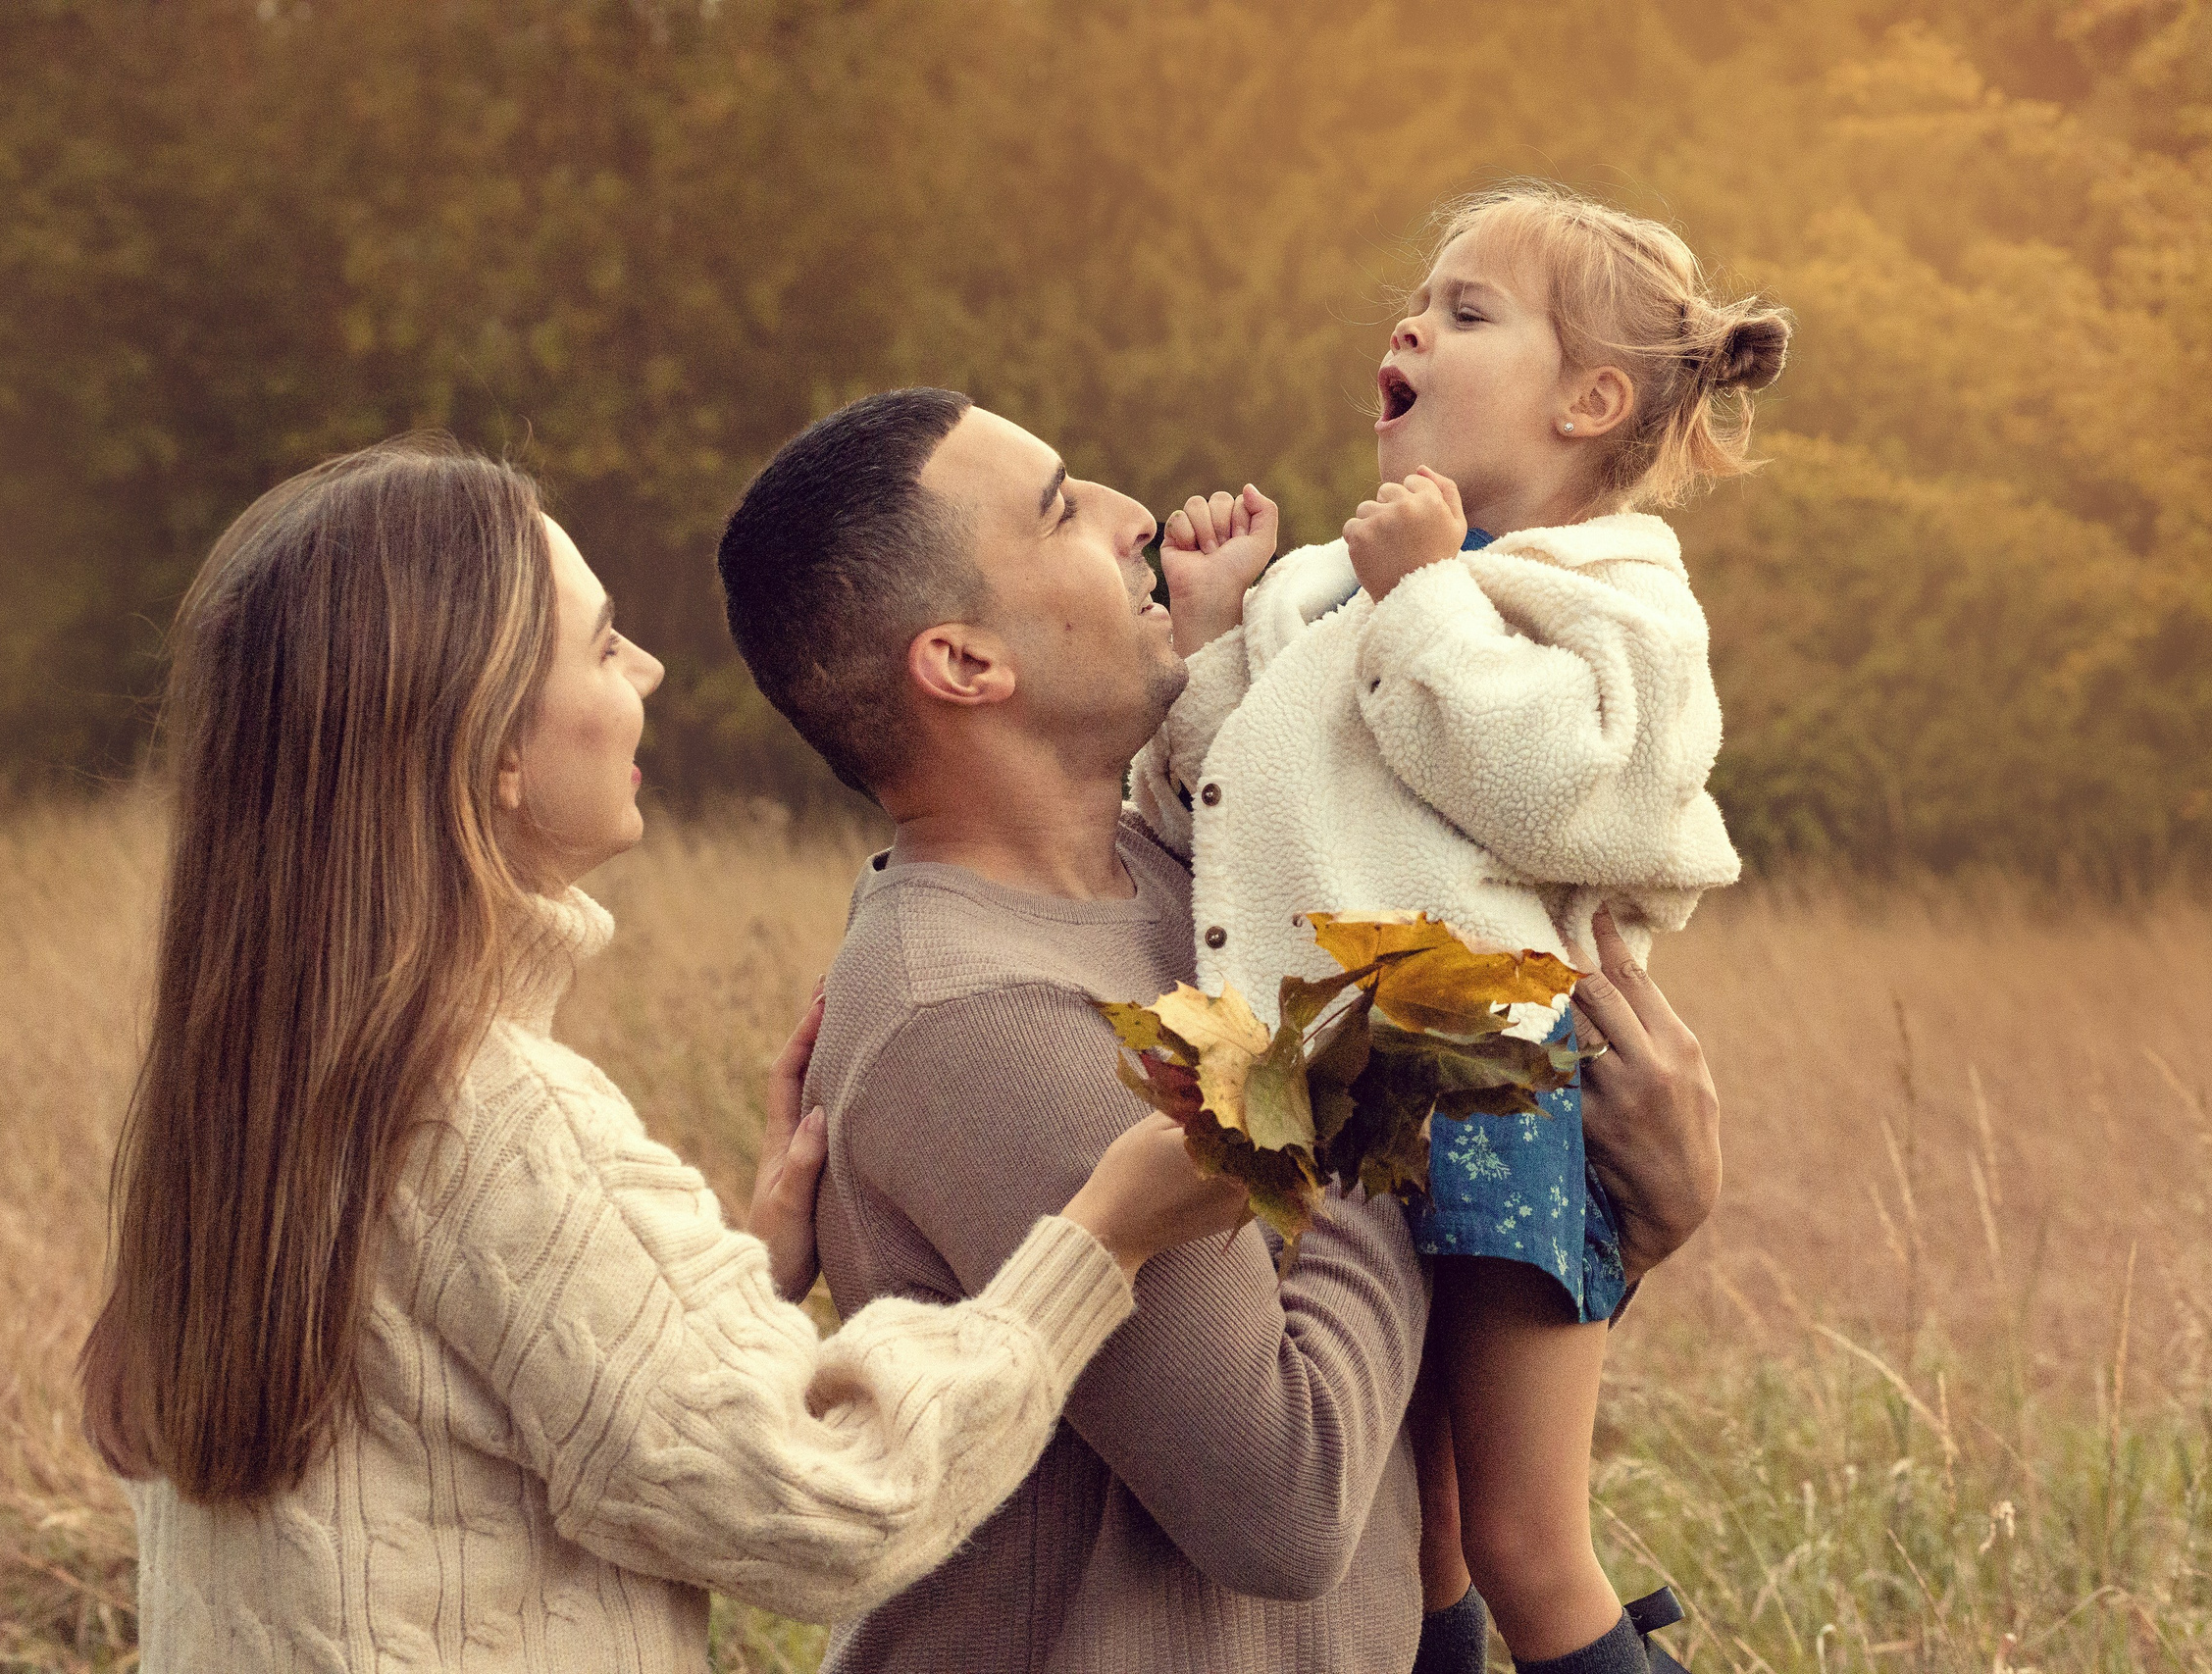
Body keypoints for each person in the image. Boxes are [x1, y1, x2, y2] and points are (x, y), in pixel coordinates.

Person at [76, 435, 1248, 1673]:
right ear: (492, 750)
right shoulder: (491, 1115)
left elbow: (444, 1451)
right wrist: (1098, 1240)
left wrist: (724, 1288)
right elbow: (831, 1507)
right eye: (599, 643)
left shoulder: (254, 1099)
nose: (646, 666)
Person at [715, 386, 1726, 1671]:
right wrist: (1397, 1061)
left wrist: (1626, 1221)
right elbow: (1295, 1498)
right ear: (966, 661)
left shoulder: (1195, 886)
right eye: (1062, 507)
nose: (1134, 515)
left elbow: (1390, 1387)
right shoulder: (980, 1014)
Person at [1146, 181, 1790, 1674]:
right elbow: (1221, 795)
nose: (1412, 324)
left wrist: (1426, 597)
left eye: (1466, 310)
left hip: (1491, 1074)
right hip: (1327, 1082)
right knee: (1404, 1529)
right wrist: (1208, 630)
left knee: (1525, 1540)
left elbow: (1572, 791)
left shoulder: (1615, 588)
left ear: (1591, 401)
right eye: (1417, 303)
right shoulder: (1331, 577)